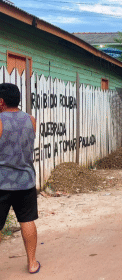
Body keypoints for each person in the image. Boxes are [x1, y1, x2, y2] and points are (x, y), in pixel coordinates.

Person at [0, 83, 40, 274]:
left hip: (2, 183)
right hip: (25, 181)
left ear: (1, 102)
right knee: (27, 221)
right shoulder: (31, 120)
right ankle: (32, 263)